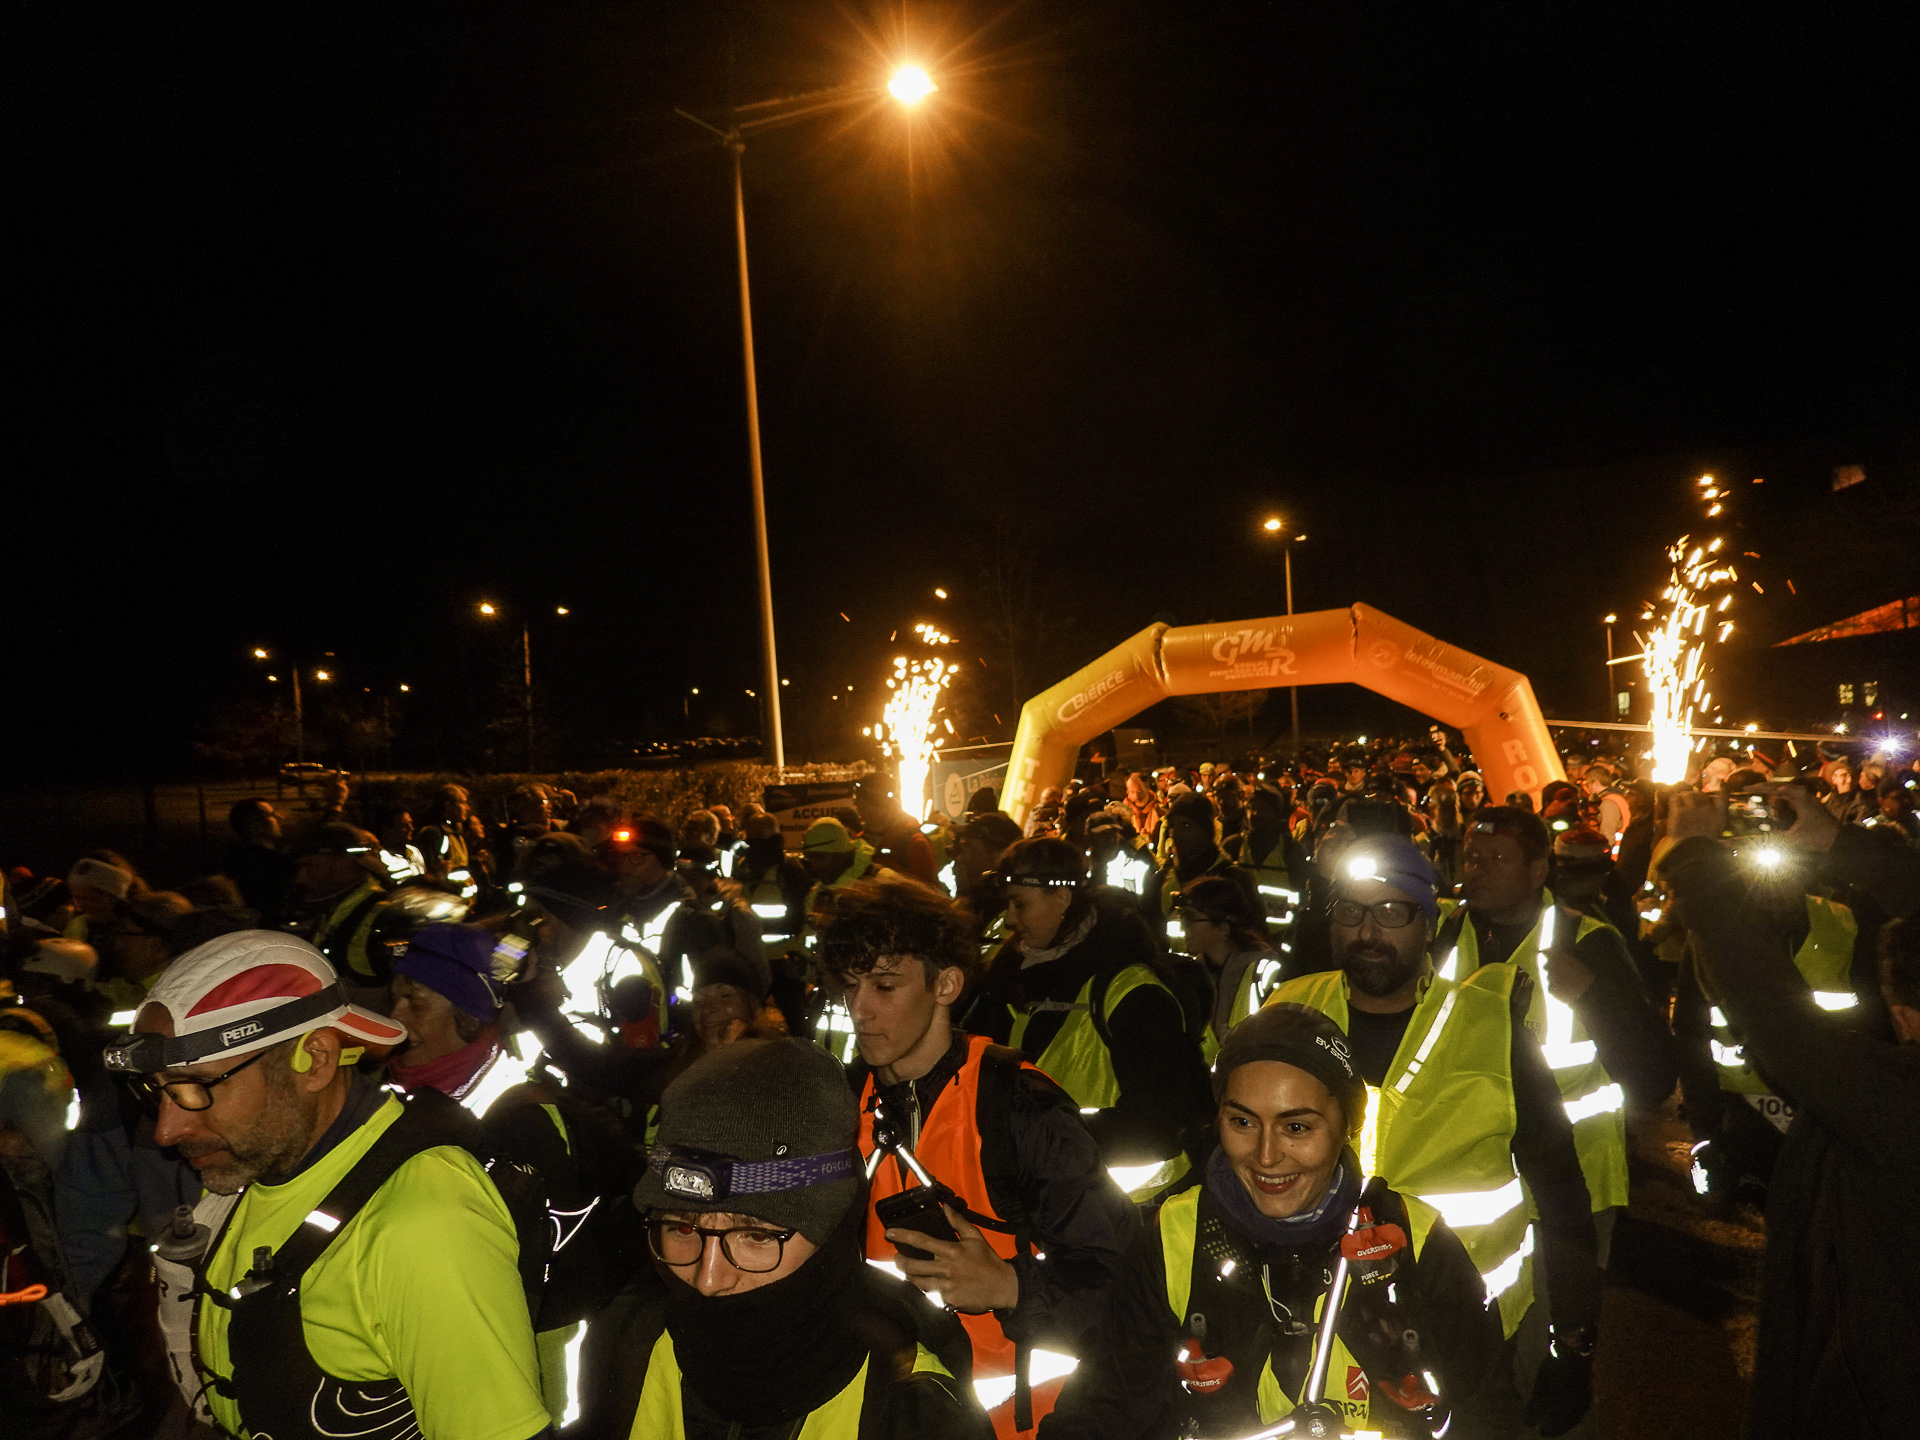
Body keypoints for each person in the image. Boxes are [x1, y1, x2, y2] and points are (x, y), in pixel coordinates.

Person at [112, 930, 552, 1440]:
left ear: (316, 1061)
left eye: (197, 1088)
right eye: (157, 1091)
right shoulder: (260, 1164)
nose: (167, 1131)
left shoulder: (424, 1225)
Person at [1041, 1003, 1523, 1440]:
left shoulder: (1412, 1239)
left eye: (1297, 1127)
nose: (1267, 1156)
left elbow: (1487, 1411)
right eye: (1243, 1122)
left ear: (1348, 1124)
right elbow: (1104, 1405)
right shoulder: (1174, 1237)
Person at [1265, 834, 1601, 1436]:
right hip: (1310, 1318)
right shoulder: (1288, 1015)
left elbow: (1558, 1185)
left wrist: (1573, 1340)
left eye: (1392, 912)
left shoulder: (1492, 1024)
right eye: (1350, 911)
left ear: (1430, 924)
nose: (1367, 931)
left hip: (1470, 1324)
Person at [822, 875, 1140, 1437]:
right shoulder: (843, 1105)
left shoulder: (1017, 1108)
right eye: (850, 988)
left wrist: (1009, 1287)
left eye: (885, 986)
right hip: (888, 1418)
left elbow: (1123, 1282)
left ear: (946, 985)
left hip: (1022, 1426)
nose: (860, 1010)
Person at [1660, 789, 1920, 1437]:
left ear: (1904, 1013)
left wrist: (1695, 859)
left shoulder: (1894, 1103)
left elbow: (1775, 1019)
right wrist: (1842, 847)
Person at [573, 1038, 991, 1439]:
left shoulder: (915, 1408)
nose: (709, 1279)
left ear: (831, 1230)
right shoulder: (625, 1342)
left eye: (755, 1235)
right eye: (682, 1229)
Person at [384, 922, 644, 1426]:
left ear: (467, 1016)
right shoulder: (396, 1098)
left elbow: (555, 1290)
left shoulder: (523, 1125)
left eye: (415, 1001)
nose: (395, 1017)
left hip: (529, 1371)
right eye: (394, 998)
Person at [1436, 808, 1678, 1237]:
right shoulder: (1445, 932)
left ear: (1537, 871)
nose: (1479, 869)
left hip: (1570, 1184)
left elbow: (1654, 1074)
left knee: (1560, 1303)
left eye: (1498, 858)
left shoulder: (1589, 943)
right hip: (1470, 1179)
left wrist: (1593, 997)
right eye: (1473, 856)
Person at [964, 839, 1211, 1199]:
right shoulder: (1009, 981)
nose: (1010, 919)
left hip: (1132, 1212)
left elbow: (1158, 1124)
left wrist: (1038, 1140)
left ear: (1062, 900)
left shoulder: (1132, 993)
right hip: (1051, 1202)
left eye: (1020, 904)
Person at [1173, 875, 1282, 1062]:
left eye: (1191, 918)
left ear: (1223, 928)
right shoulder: (1189, 975)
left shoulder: (1266, 973)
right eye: (1181, 917)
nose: (1183, 926)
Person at [285, 822, 397, 993]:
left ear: (344, 863)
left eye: (309, 866)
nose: (299, 878)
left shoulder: (381, 920)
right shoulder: (337, 910)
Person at [1143, 792, 1259, 948]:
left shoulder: (1234, 880)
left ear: (1206, 830)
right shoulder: (1160, 881)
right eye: (1173, 826)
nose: (1177, 834)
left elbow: (1250, 939)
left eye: (1186, 825)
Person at [1234, 781, 1306, 930]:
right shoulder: (1234, 846)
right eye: (1251, 807)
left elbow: (1301, 896)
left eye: (1262, 808)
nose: (1255, 814)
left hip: (1281, 936)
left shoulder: (1291, 850)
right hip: (1244, 935)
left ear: (1275, 812)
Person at [856, 777, 940, 884]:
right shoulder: (859, 842)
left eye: (863, 802)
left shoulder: (914, 842)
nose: (858, 807)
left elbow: (930, 890)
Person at [220, 800, 294, 918]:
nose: (280, 818)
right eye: (271, 815)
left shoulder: (235, 857)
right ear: (255, 825)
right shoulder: (273, 863)